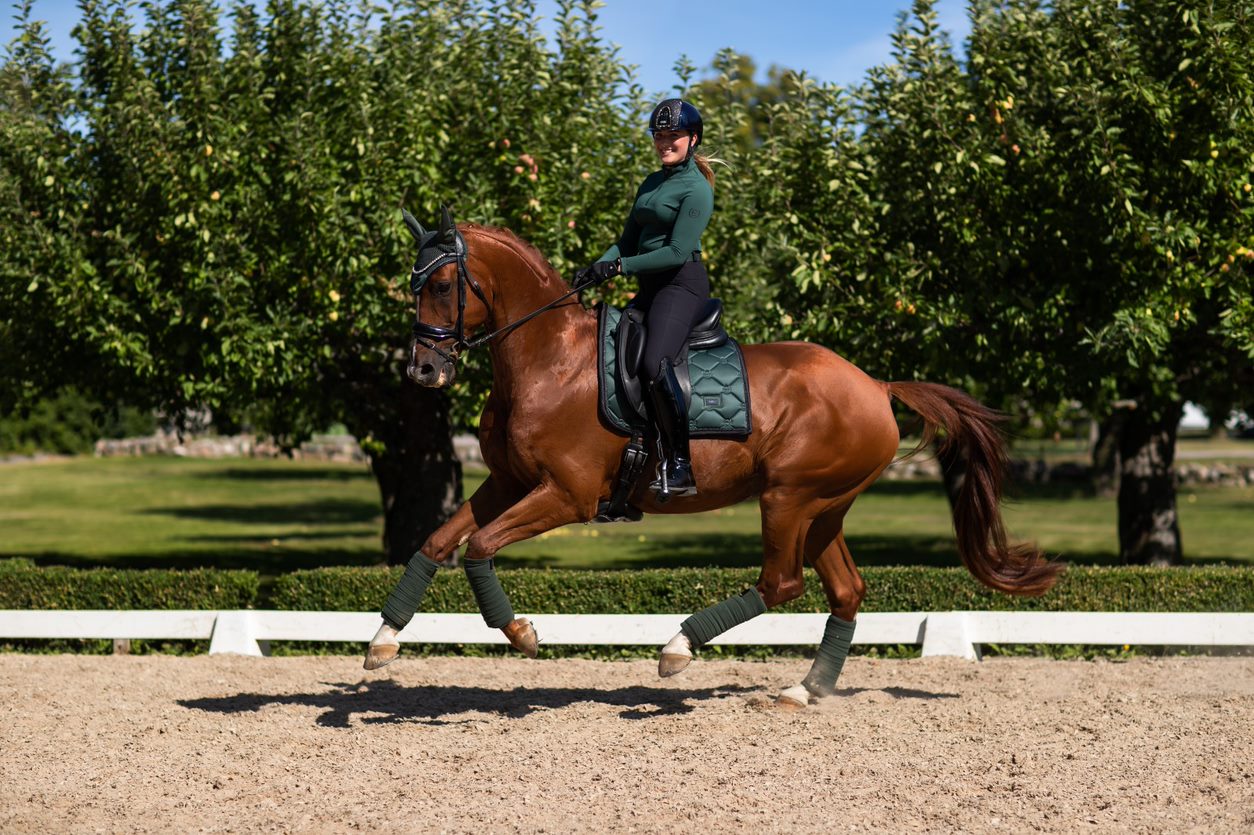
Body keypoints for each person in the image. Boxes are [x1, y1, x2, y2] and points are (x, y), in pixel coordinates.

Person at [575, 98, 717, 498]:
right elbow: (625, 242)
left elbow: (674, 252)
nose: (664, 143)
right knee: (606, 352)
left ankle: (680, 463)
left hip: (680, 285)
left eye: (673, 136)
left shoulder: (697, 190)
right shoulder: (651, 183)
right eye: (659, 136)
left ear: (692, 139)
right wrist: (595, 268)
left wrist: (620, 268)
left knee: (655, 364)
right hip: (650, 287)